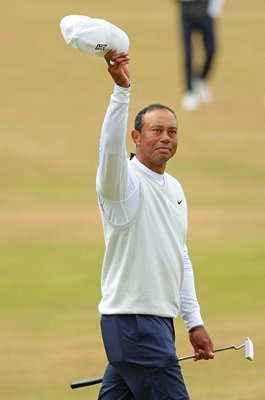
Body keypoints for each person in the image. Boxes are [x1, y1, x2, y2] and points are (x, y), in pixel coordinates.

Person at [96, 48, 214, 400]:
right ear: (136, 137)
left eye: (173, 132)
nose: (166, 137)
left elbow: (180, 256)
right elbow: (108, 149)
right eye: (156, 130)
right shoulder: (123, 184)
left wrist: (193, 321)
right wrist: (121, 92)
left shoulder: (175, 188)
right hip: (134, 323)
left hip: (156, 323)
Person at [176, 0, 224, 111]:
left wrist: (215, 9)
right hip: (186, 13)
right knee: (188, 53)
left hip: (205, 13)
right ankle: (189, 91)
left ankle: (201, 80)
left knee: (211, 50)